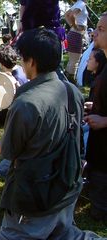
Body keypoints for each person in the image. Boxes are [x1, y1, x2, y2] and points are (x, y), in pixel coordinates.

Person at [0, 27, 102, 239]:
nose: (21, 62)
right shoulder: (72, 91)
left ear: (32, 62)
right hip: (68, 185)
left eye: (22, 58)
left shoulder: (26, 103)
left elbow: (7, 152)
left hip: (37, 196)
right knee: (63, 234)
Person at [84, 12, 107, 222]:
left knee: (98, 214)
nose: (94, 34)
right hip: (98, 150)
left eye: (101, 29)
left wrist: (105, 120)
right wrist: (96, 106)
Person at [65, 0, 88, 83]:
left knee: (72, 60)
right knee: (75, 61)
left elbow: (67, 15)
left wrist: (72, 26)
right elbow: (71, 15)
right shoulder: (81, 3)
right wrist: (75, 26)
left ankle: (66, 82)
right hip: (77, 33)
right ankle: (70, 83)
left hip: (74, 33)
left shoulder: (77, 3)